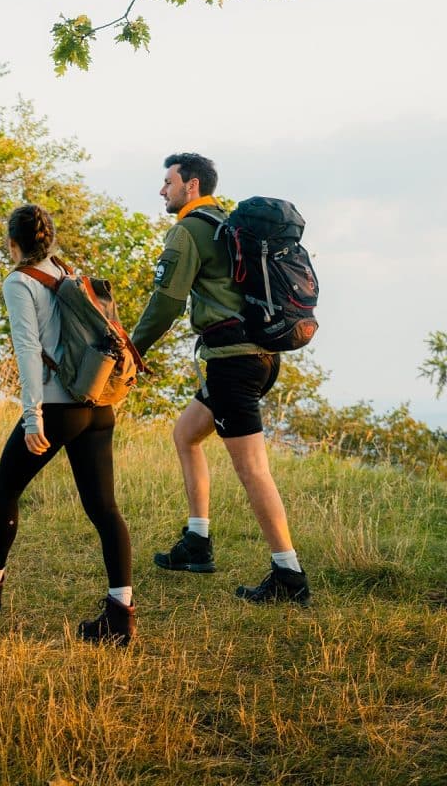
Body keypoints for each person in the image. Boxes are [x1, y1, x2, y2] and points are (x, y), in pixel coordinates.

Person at [0, 204, 137, 644]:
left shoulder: (19, 282)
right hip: (96, 404)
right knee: (104, 509)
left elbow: (28, 351)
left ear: (12, 243)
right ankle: (120, 614)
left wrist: (33, 417)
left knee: (6, 488)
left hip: (57, 408)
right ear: (49, 240)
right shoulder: (66, 270)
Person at [130, 153, 311, 605]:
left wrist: (132, 350)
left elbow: (167, 302)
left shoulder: (189, 230)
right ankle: (197, 541)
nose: (162, 190)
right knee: (186, 434)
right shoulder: (228, 224)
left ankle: (289, 575)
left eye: (168, 182)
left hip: (233, 363)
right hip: (259, 357)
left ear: (191, 185)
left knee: (252, 470)